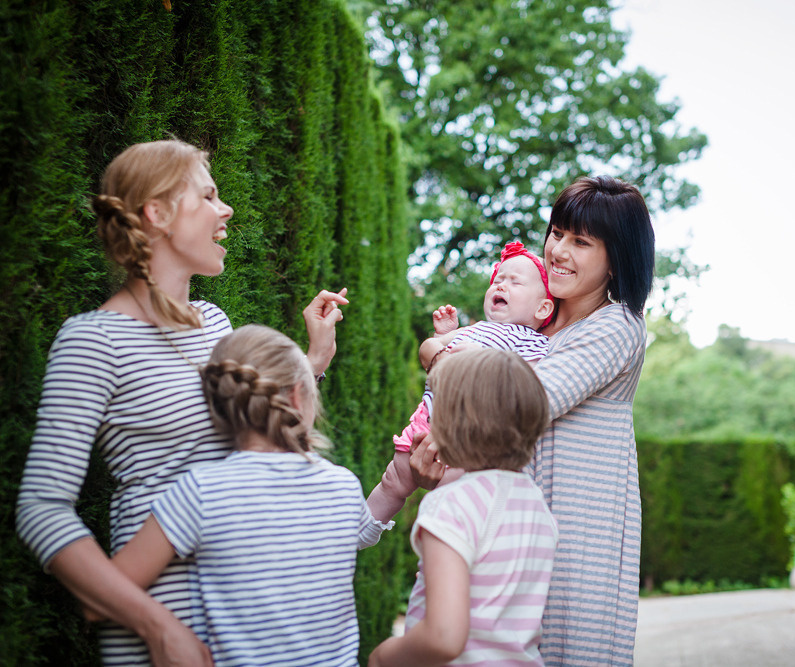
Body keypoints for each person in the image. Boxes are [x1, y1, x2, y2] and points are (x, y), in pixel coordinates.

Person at [15, 139, 350, 666]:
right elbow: (40, 508)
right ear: (159, 213)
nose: (227, 210)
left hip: (247, 627)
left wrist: (312, 364)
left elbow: (257, 438)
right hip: (157, 641)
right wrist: (157, 625)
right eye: (209, 196)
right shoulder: (91, 340)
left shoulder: (215, 323)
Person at [412, 176, 655, 666]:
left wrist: (439, 355)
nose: (559, 251)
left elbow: (523, 402)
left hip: (578, 527)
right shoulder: (537, 320)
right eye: (557, 233)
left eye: (581, 242)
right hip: (513, 521)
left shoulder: (617, 325)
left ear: (616, 260)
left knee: (567, 648)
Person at [104, 324, 389, 666]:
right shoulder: (343, 485)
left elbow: (109, 590)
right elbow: (355, 534)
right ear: (299, 396)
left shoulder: (202, 491)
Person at [368, 348, 559, 667]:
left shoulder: (451, 504)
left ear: (454, 422)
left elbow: (442, 638)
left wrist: (384, 655)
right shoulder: (536, 504)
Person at [366, 241, 554, 520]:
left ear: (542, 309)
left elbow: (526, 382)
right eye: (498, 279)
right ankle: (355, 534)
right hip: (425, 424)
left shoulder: (532, 342)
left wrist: (481, 362)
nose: (500, 286)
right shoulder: (474, 329)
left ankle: (445, 545)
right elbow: (427, 348)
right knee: (393, 481)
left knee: (451, 496)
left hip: (468, 436)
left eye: (515, 282)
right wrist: (442, 343)